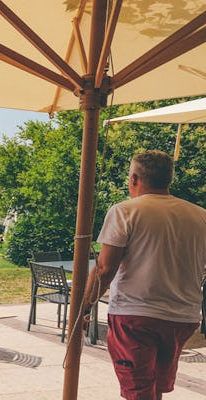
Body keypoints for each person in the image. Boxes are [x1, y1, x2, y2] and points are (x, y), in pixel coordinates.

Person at [80, 150, 206, 400]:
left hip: (135, 316)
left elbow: (105, 269)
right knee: (155, 387)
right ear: (168, 179)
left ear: (134, 178)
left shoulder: (125, 211)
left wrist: (83, 308)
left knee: (138, 392)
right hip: (183, 317)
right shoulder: (200, 216)